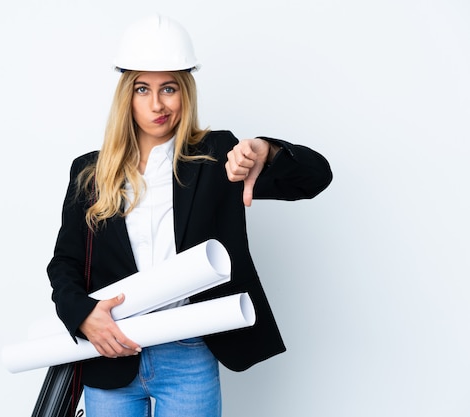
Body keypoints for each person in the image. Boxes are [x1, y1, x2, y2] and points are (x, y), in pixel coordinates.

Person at [47, 14, 332, 417]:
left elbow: (316, 178)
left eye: (169, 89)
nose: (157, 104)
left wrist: (267, 152)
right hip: (108, 353)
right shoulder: (90, 171)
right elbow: (65, 262)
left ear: (186, 92)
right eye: (143, 89)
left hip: (188, 354)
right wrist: (82, 315)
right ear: (126, 95)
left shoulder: (218, 157)